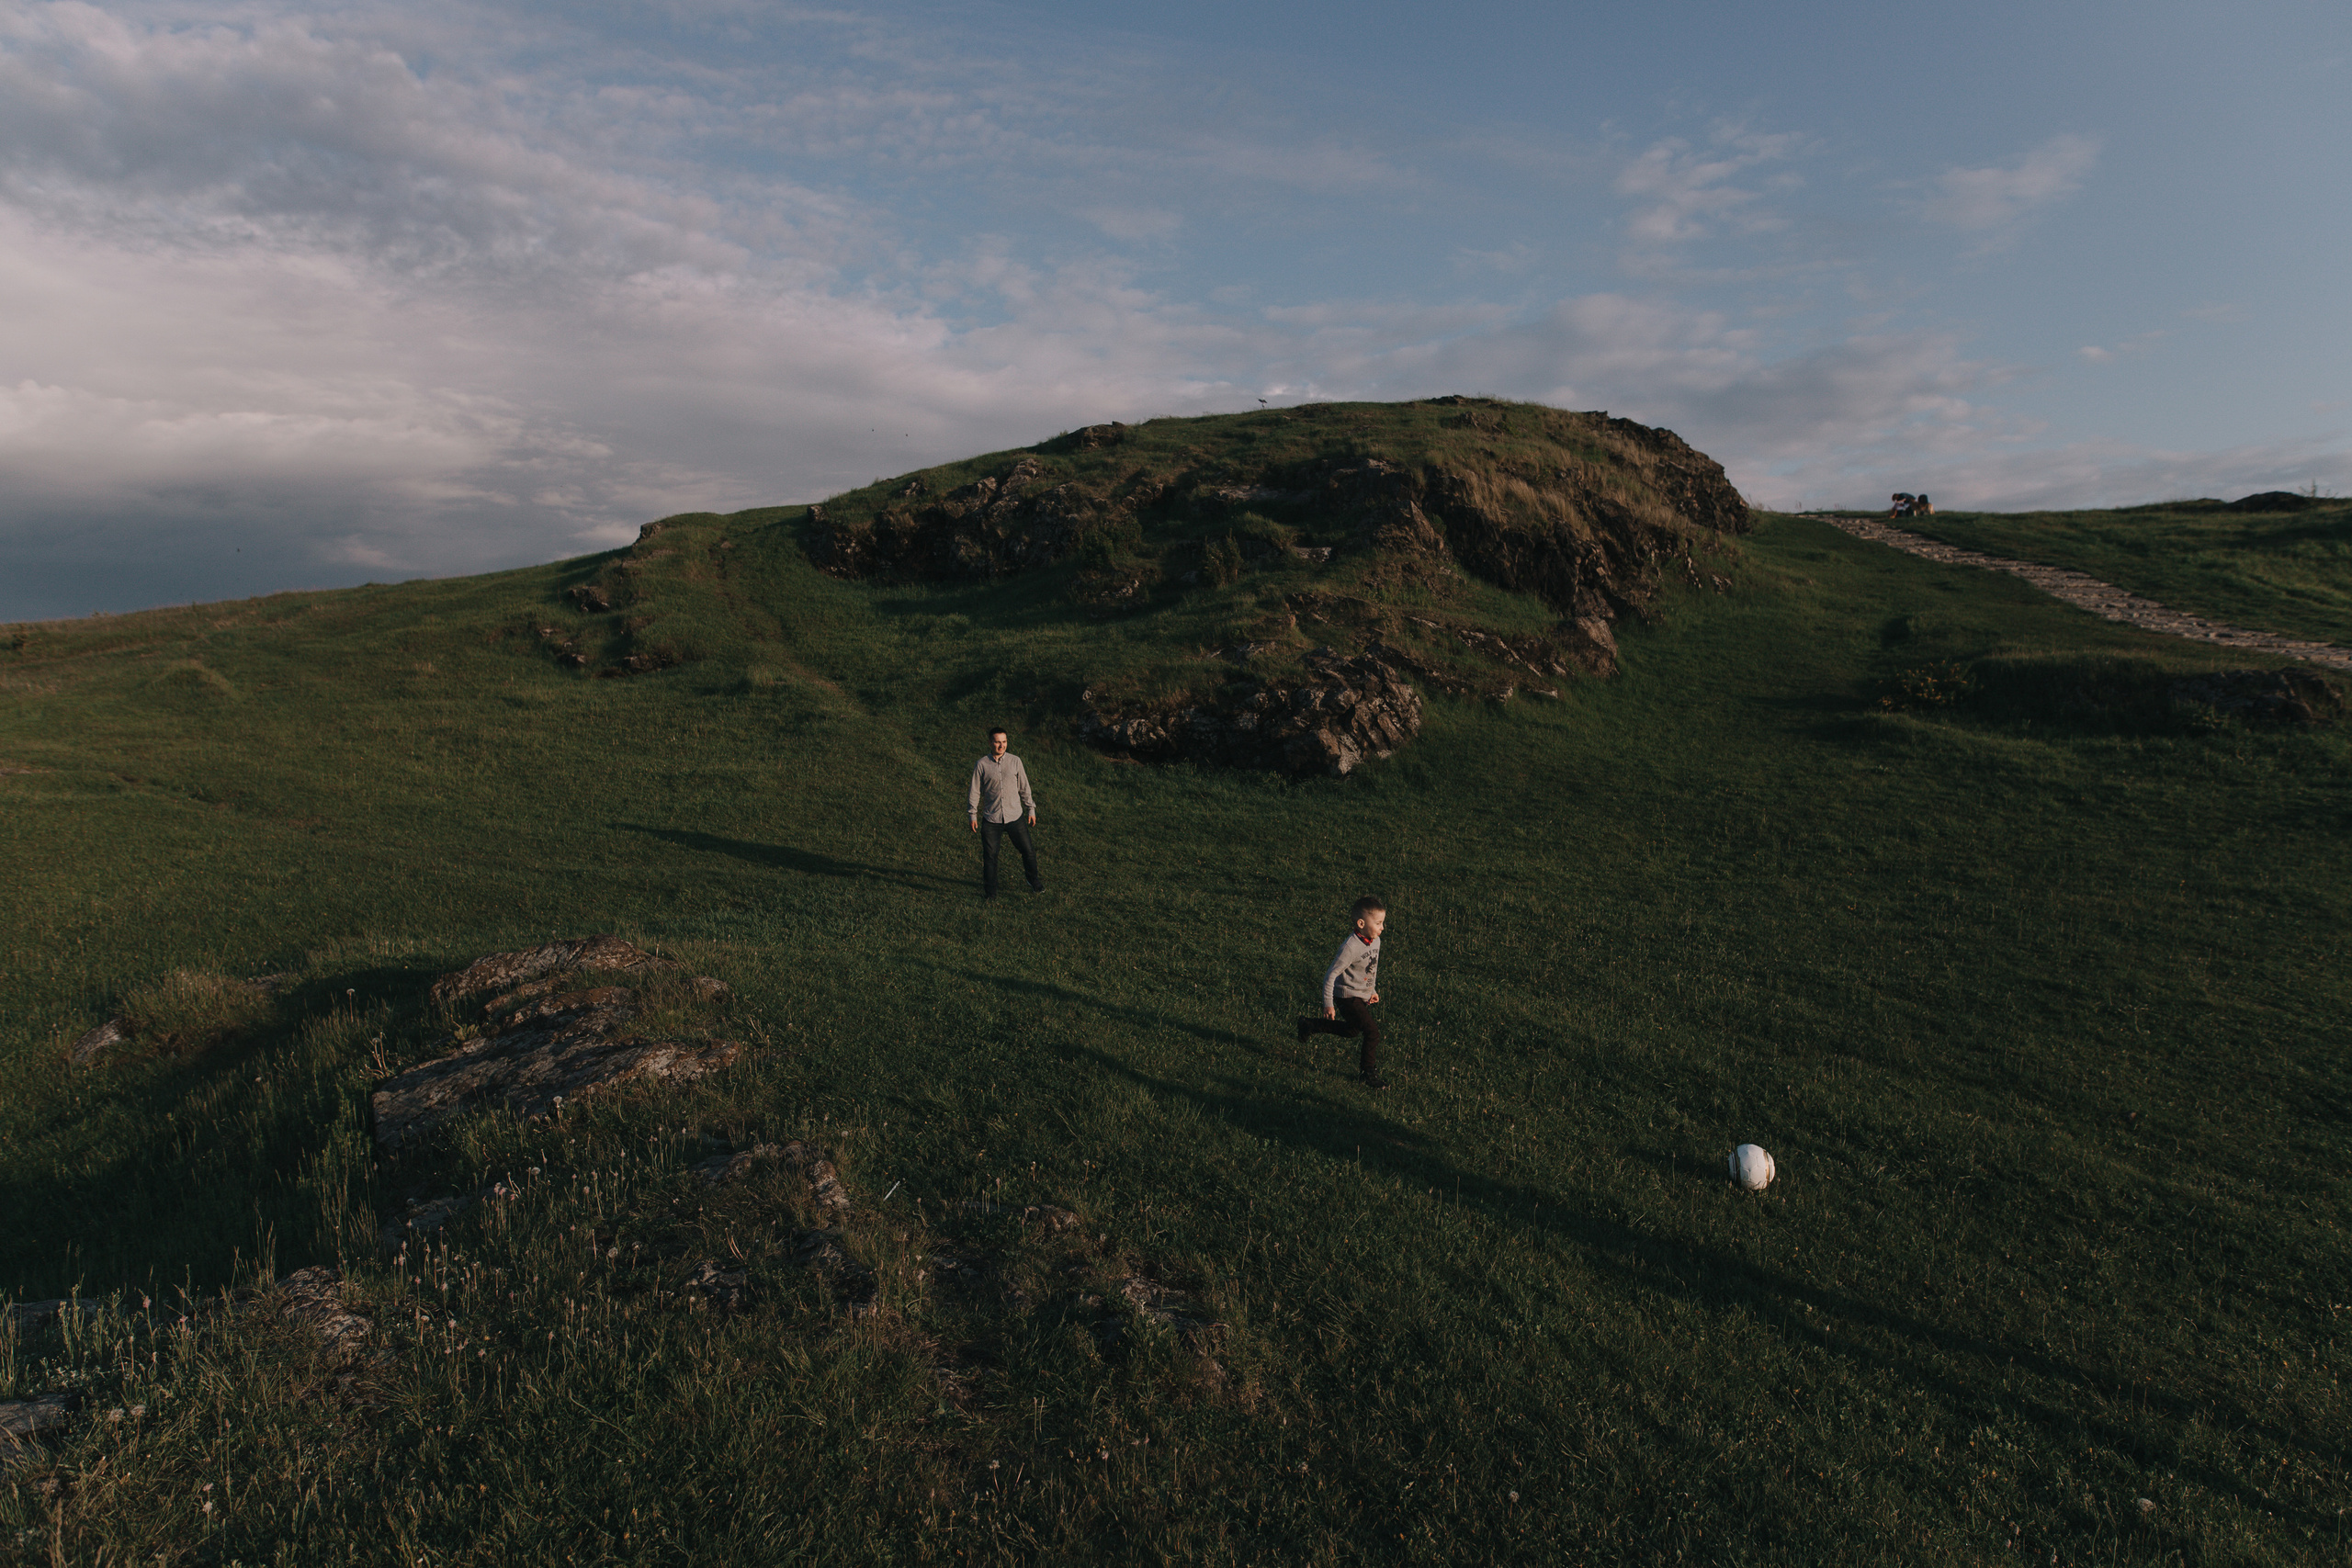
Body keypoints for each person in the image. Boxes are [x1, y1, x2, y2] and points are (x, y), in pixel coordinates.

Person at [1295, 895, 1388, 1089]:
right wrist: (1328, 1004)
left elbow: (1369, 970)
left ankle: (1310, 1025)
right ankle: (1367, 1073)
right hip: (1346, 996)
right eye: (1378, 923)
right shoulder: (1350, 947)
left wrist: (1371, 990)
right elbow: (1330, 975)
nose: (1382, 928)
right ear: (1361, 923)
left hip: (1361, 995)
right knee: (1372, 1032)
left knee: (1353, 1031)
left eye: (1382, 923)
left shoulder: (1375, 941)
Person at [967, 726, 1042, 898]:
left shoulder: (1015, 761)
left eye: (1004, 742)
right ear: (990, 743)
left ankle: (1033, 880)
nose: (1002, 745)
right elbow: (975, 791)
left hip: (1015, 817)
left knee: (1028, 851)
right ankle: (990, 893)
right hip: (991, 819)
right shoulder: (981, 765)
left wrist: (1030, 809)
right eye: (997, 742)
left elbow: (1024, 787)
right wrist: (972, 814)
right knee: (990, 858)